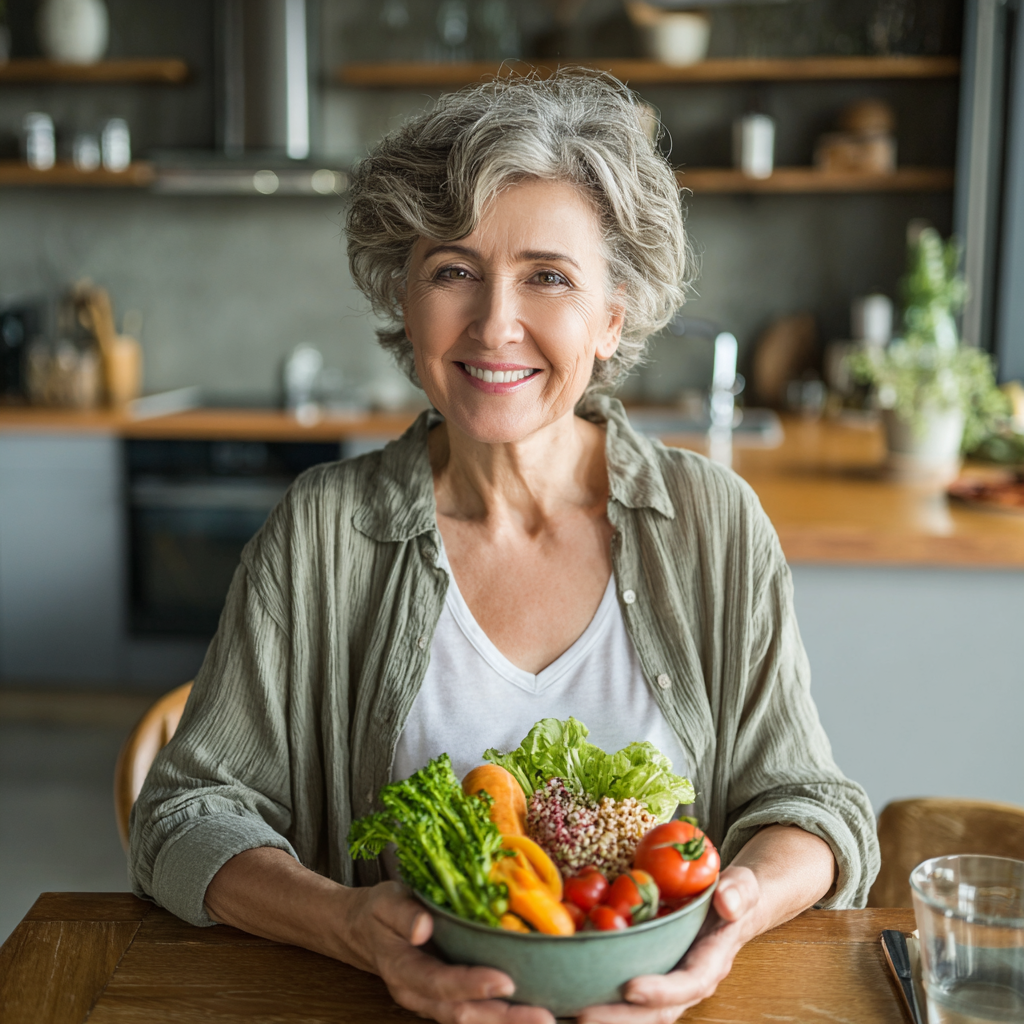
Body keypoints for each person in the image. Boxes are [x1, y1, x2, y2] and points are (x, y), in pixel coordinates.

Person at [130, 70, 879, 1024]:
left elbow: (812, 807)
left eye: (549, 277)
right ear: (404, 297)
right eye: (453, 270)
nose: (494, 324)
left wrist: (732, 918)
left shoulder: (715, 526)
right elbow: (183, 817)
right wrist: (349, 924)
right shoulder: (319, 535)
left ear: (613, 318)